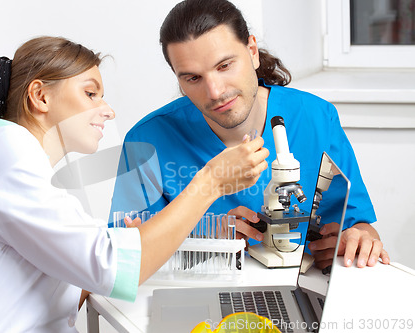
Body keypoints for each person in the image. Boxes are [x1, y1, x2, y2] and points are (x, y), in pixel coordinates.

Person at [0, 36, 269, 332]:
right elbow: (113, 267)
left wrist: (133, 245)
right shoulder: (9, 153)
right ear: (40, 97)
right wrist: (210, 181)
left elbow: (48, 294)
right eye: (91, 94)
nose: (107, 111)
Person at [110, 0, 390, 270]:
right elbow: (120, 261)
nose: (215, 92)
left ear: (252, 51)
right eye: (193, 78)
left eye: (224, 66)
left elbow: (358, 225)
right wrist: (204, 241)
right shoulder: (147, 142)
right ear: (178, 79)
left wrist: (360, 239)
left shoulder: (316, 118)